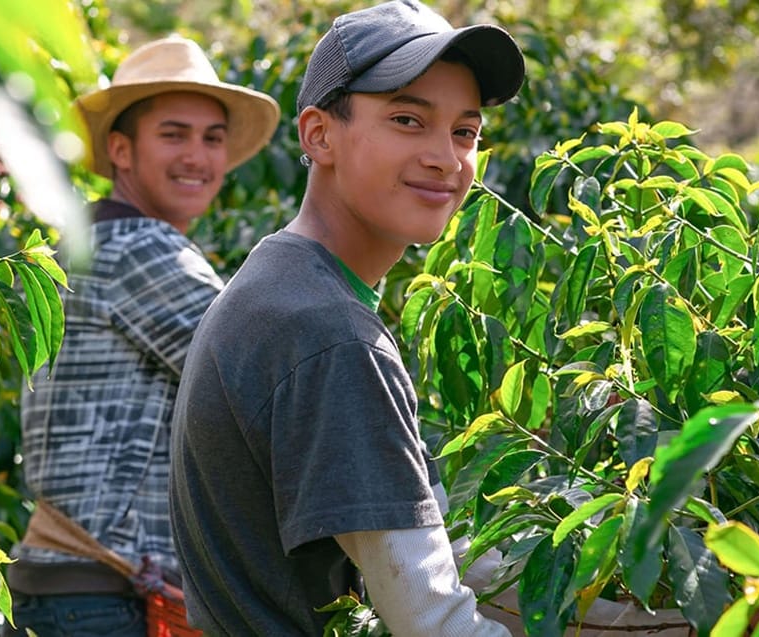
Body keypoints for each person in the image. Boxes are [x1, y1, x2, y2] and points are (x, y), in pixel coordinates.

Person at [169, 1, 525, 635]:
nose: (446, 158)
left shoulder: (285, 278)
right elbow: (433, 619)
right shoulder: (328, 333)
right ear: (319, 134)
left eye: (465, 132)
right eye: (407, 119)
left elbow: (438, 548)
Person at [5, 35, 279, 637]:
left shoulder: (84, 246)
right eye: (174, 134)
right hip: (106, 599)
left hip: (67, 586)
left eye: (212, 139)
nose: (198, 156)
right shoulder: (140, 247)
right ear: (122, 151)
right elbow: (267, 380)